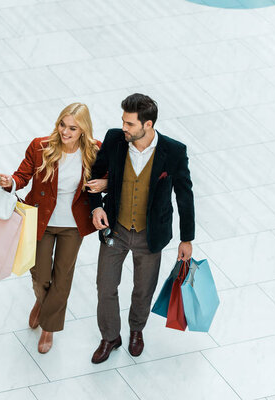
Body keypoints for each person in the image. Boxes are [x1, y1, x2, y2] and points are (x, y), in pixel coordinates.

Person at [88, 93, 195, 363]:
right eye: (123, 121)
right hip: (117, 229)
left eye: (130, 124)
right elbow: (95, 175)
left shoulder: (174, 151)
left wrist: (187, 239)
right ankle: (110, 336)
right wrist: (96, 206)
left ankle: (136, 330)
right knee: (105, 286)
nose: (124, 127)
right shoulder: (115, 140)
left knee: (143, 288)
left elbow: (185, 195)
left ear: (148, 125)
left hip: (151, 234)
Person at [0, 103, 106, 354]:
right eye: (62, 125)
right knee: (40, 274)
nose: (65, 132)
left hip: (73, 224)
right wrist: (10, 182)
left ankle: (48, 326)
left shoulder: (95, 149)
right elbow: (22, 176)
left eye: (72, 128)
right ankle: (42, 301)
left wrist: (105, 182)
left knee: (63, 276)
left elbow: (108, 178)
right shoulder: (40, 146)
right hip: (42, 220)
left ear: (83, 130)